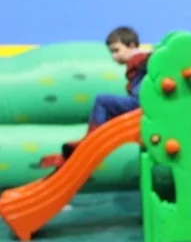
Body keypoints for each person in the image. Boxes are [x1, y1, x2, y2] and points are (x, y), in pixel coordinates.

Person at [39, 27, 149, 169]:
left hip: (141, 105)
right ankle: (78, 149)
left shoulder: (142, 58)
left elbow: (150, 60)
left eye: (117, 50)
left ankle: (91, 138)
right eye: (111, 52)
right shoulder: (140, 60)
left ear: (132, 46)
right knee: (109, 109)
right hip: (141, 104)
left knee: (102, 101)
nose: (114, 56)